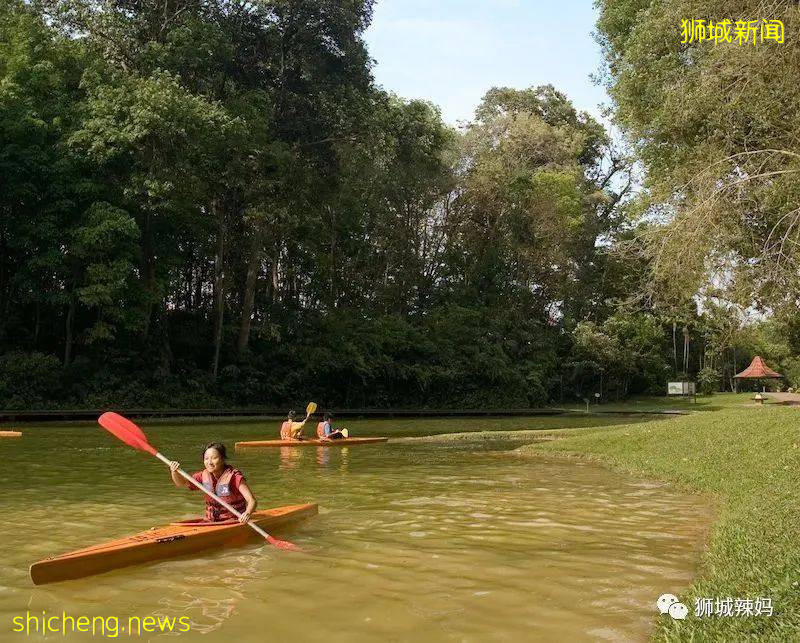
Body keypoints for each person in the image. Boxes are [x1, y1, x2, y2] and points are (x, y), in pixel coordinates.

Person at [168, 442, 256, 523]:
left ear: (222, 459)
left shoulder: (234, 476)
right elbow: (181, 483)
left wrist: (247, 513)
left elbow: (252, 501)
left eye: (214, 458)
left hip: (233, 520)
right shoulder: (202, 475)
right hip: (211, 520)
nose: (209, 462)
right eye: (206, 459)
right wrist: (174, 471)